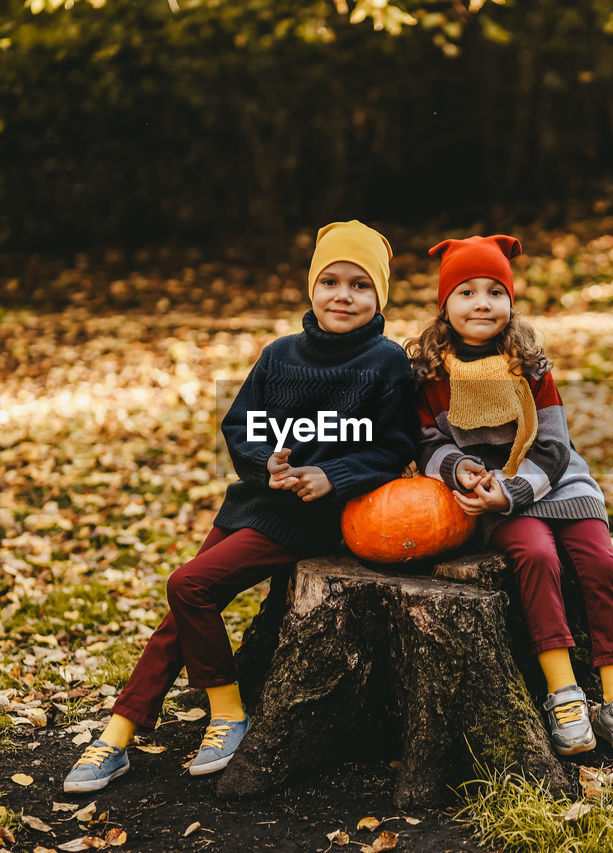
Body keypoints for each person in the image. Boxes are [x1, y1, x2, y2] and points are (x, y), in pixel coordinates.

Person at [63, 221, 418, 792]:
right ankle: (117, 735)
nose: (343, 296)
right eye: (330, 281)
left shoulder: (386, 362)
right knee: (177, 619)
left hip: (315, 519)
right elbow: (241, 426)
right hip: (255, 503)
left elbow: (396, 447)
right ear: (311, 288)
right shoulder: (279, 356)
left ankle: (227, 714)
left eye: (359, 285)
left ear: (380, 296)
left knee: (188, 586)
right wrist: (265, 465)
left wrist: (331, 475)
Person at [406, 234, 613, 760]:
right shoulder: (430, 373)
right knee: (537, 556)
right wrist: (462, 471)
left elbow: (553, 446)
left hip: (552, 479)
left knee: (598, 563)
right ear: (444, 304)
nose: (481, 303)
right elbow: (427, 441)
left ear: (510, 302)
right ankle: (563, 691)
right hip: (491, 492)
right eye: (466, 292)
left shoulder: (530, 365)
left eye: (495, 292)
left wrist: (517, 490)